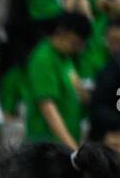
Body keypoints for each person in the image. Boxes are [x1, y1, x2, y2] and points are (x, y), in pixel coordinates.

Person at [22, 11, 91, 148]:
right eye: (74, 43)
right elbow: (48, 107)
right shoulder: (44, 59)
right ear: (61, 32)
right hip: (47, 144)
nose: (77, 49)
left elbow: (77, 91)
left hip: (64, 144)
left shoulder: (66, 59)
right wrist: (72, 148)